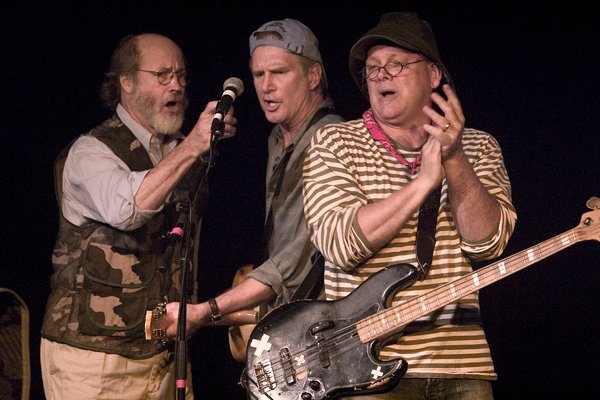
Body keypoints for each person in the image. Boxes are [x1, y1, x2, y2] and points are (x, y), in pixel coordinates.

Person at [302, 12, 517, 399]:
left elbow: (489, 245)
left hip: (460, 367)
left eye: (397, 64)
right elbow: (340, 244)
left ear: (434, 75)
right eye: (372, 68)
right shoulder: (334, 142)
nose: (382, 75)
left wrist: (454, 159)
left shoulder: (480, 147)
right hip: (364, 371)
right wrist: (421, 186)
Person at [40, 33, 237, 400]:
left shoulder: (180, 150)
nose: (176, 85)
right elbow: (128, 209)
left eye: (181, 75)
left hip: (164, 359)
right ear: (126, 82)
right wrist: (194, 145)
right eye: (162, 75)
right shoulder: (90, 153)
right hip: (95, 363)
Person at [163, 19, 344, 341]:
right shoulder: (278, 138)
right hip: (299, 321)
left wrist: (206, 310)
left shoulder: (328, 138)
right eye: (259, 75)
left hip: (331, 328)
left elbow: (297, 258)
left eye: (279, 72)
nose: (266, 86)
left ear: (313, 76)